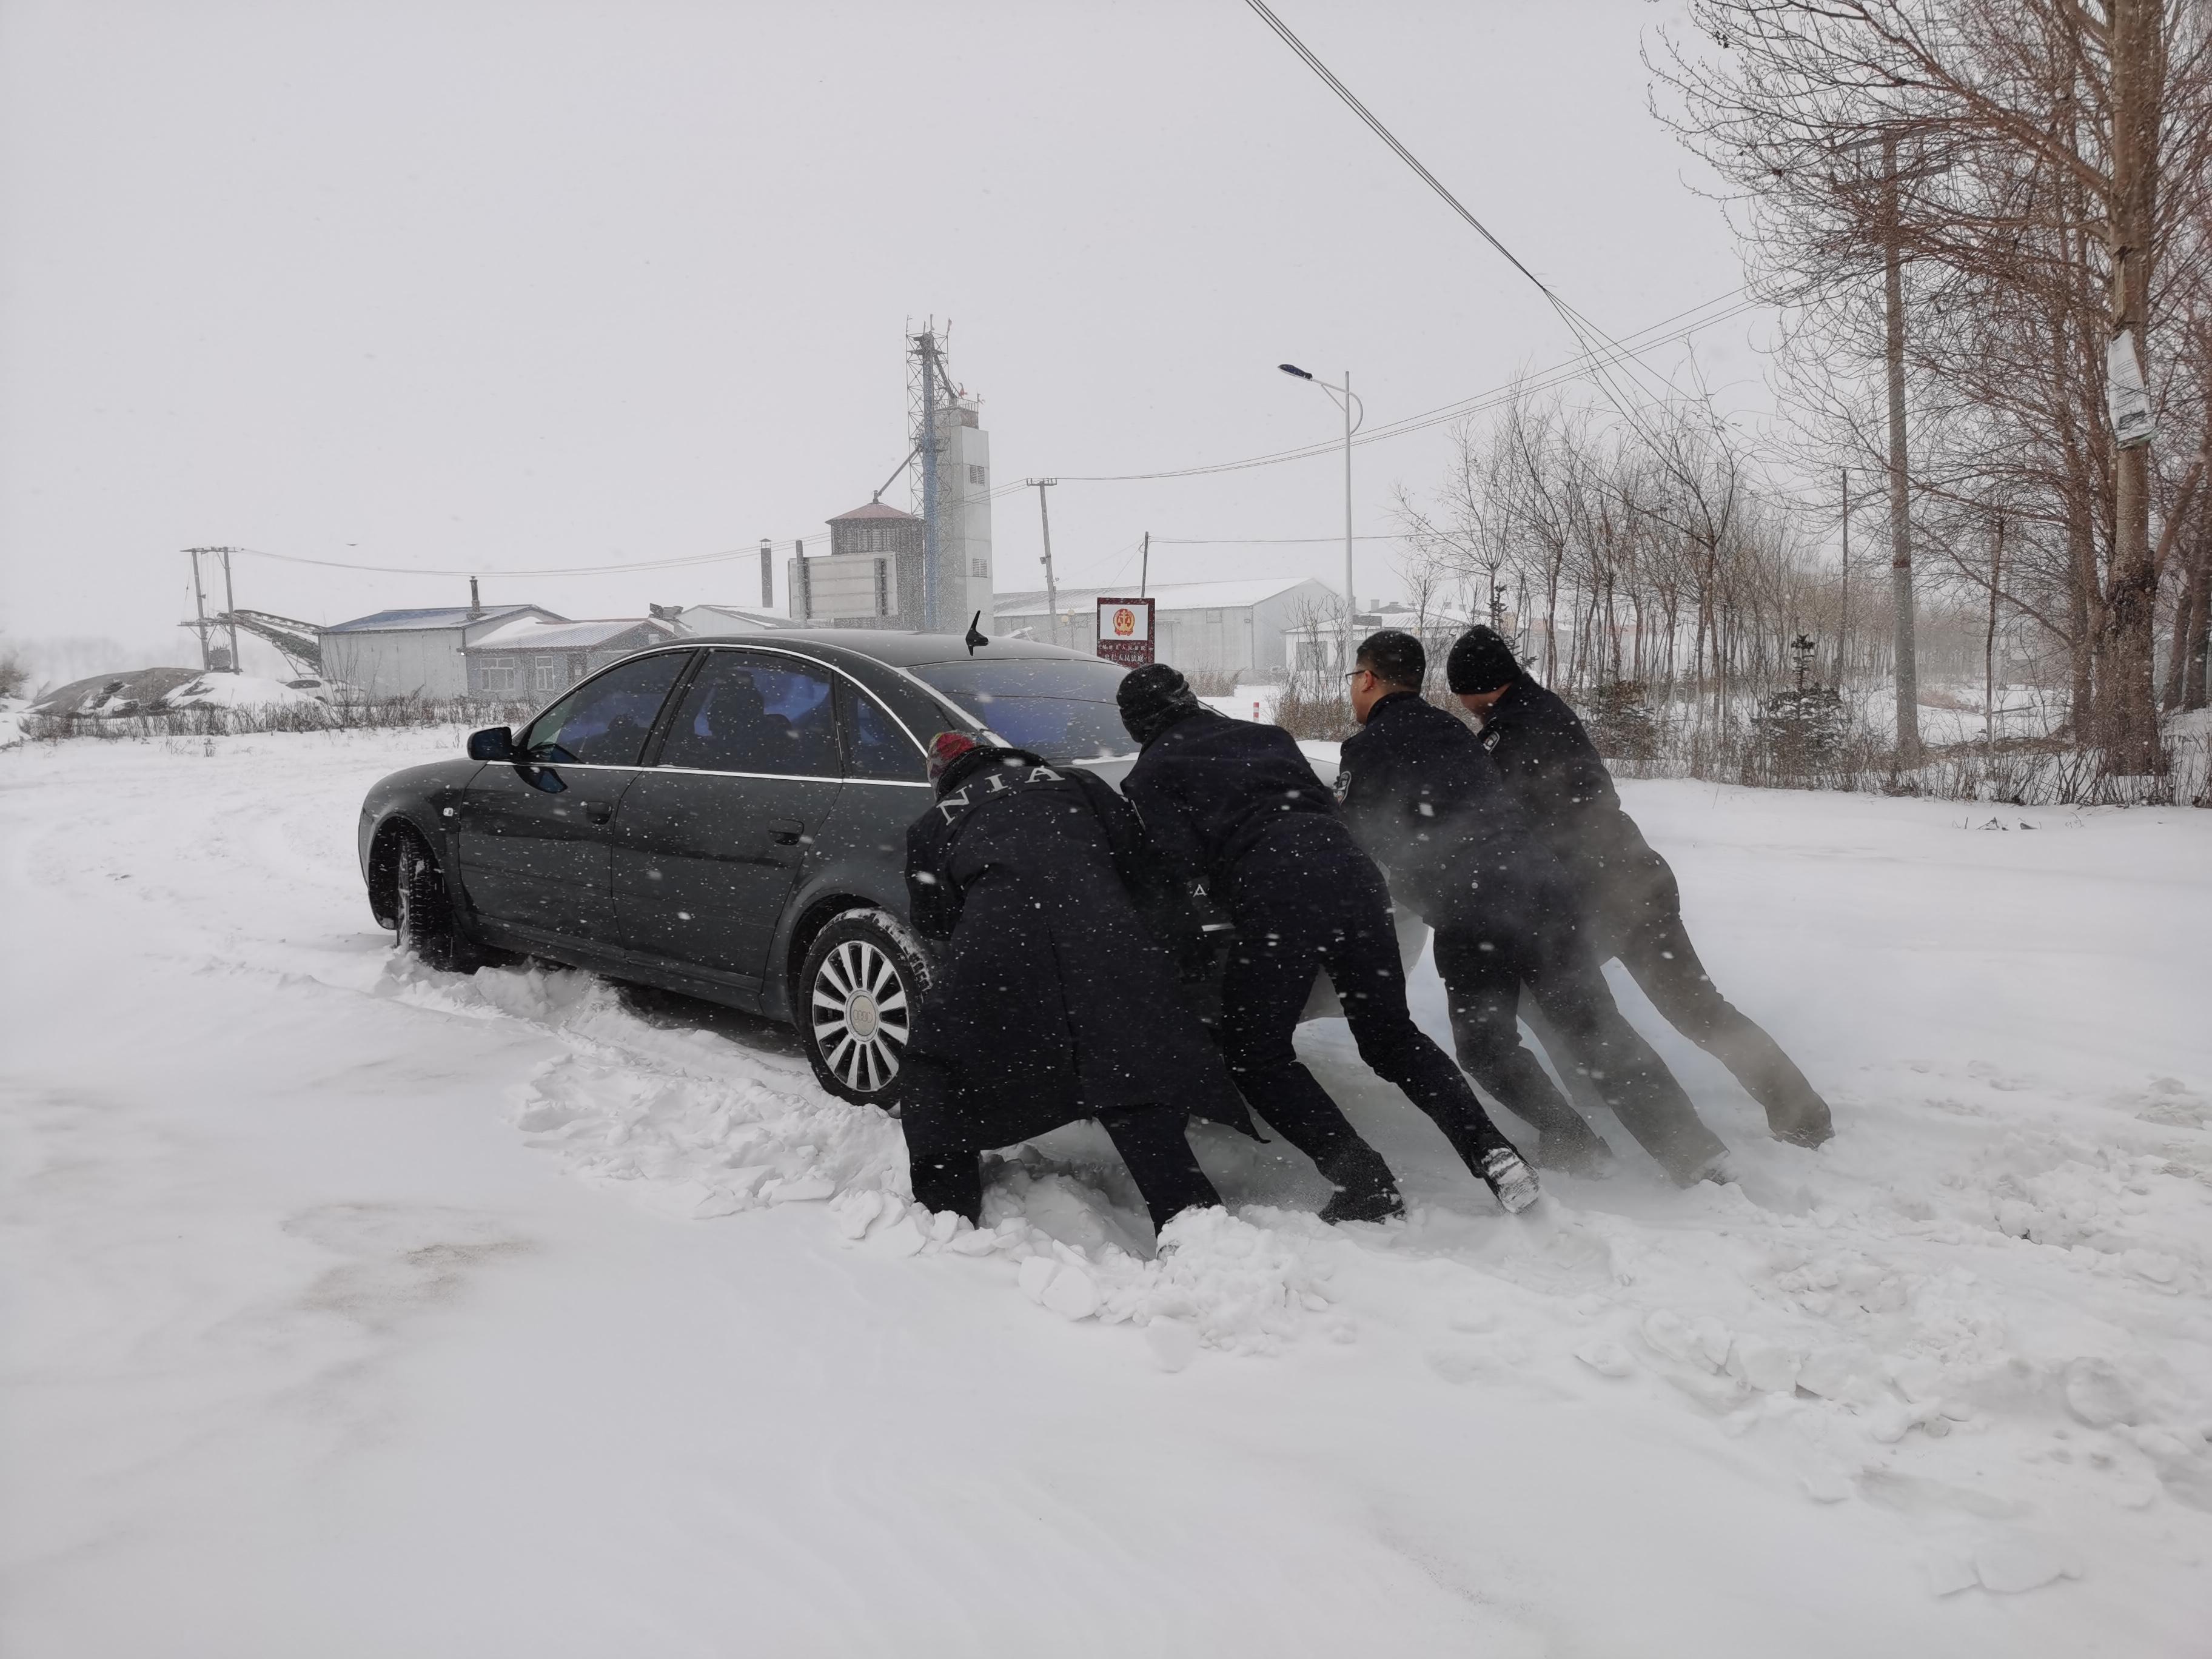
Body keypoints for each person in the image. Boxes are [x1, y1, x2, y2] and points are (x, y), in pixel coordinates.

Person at [1116, 665, 1541, 1216]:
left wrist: (1178, 930)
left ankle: (1366, 1182)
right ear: (1188, 699)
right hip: (1357, 881)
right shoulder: (1267, 738)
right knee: (1390, 1036)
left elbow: (1181, 865)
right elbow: (1325, 809)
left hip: (1278, 899)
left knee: (1255, 1055)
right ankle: (1493, 1153)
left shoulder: (1151, 773)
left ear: (1136, 723)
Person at [1336, 630, 1734, 1185]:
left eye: (1354, 678)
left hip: (1472, 910)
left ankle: (1573, 1140)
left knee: (1485, 1047)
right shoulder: (1456, 730)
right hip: (1545, 891)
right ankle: (1695, 1153)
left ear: (1370, 679)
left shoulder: (1368, 749)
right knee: (1599, 1030)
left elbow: (1350, 839)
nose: (1353, 690)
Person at [1446, 626, 1835, 1148]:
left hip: (1600, 896)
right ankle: (1801, 1112)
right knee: (1697, 1009)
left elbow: (1497, 815)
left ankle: (1614, 1110)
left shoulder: (1513, 730)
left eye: (1462, 693)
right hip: (1635, 877)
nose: (1464, 705)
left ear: (1482, 686)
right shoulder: (1541, 708)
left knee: (1568, 1006)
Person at [897, 731, 1250, 1238]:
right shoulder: (1076, 782)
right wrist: (1183, 954)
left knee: (937, 1067)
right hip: (1103, 935)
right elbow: (1144, 869)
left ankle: (947, 1218)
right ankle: (1194, 1227)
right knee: (1126, 1067)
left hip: (997, 944)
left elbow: (935, 920)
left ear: (941, 779)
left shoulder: (934, 821)